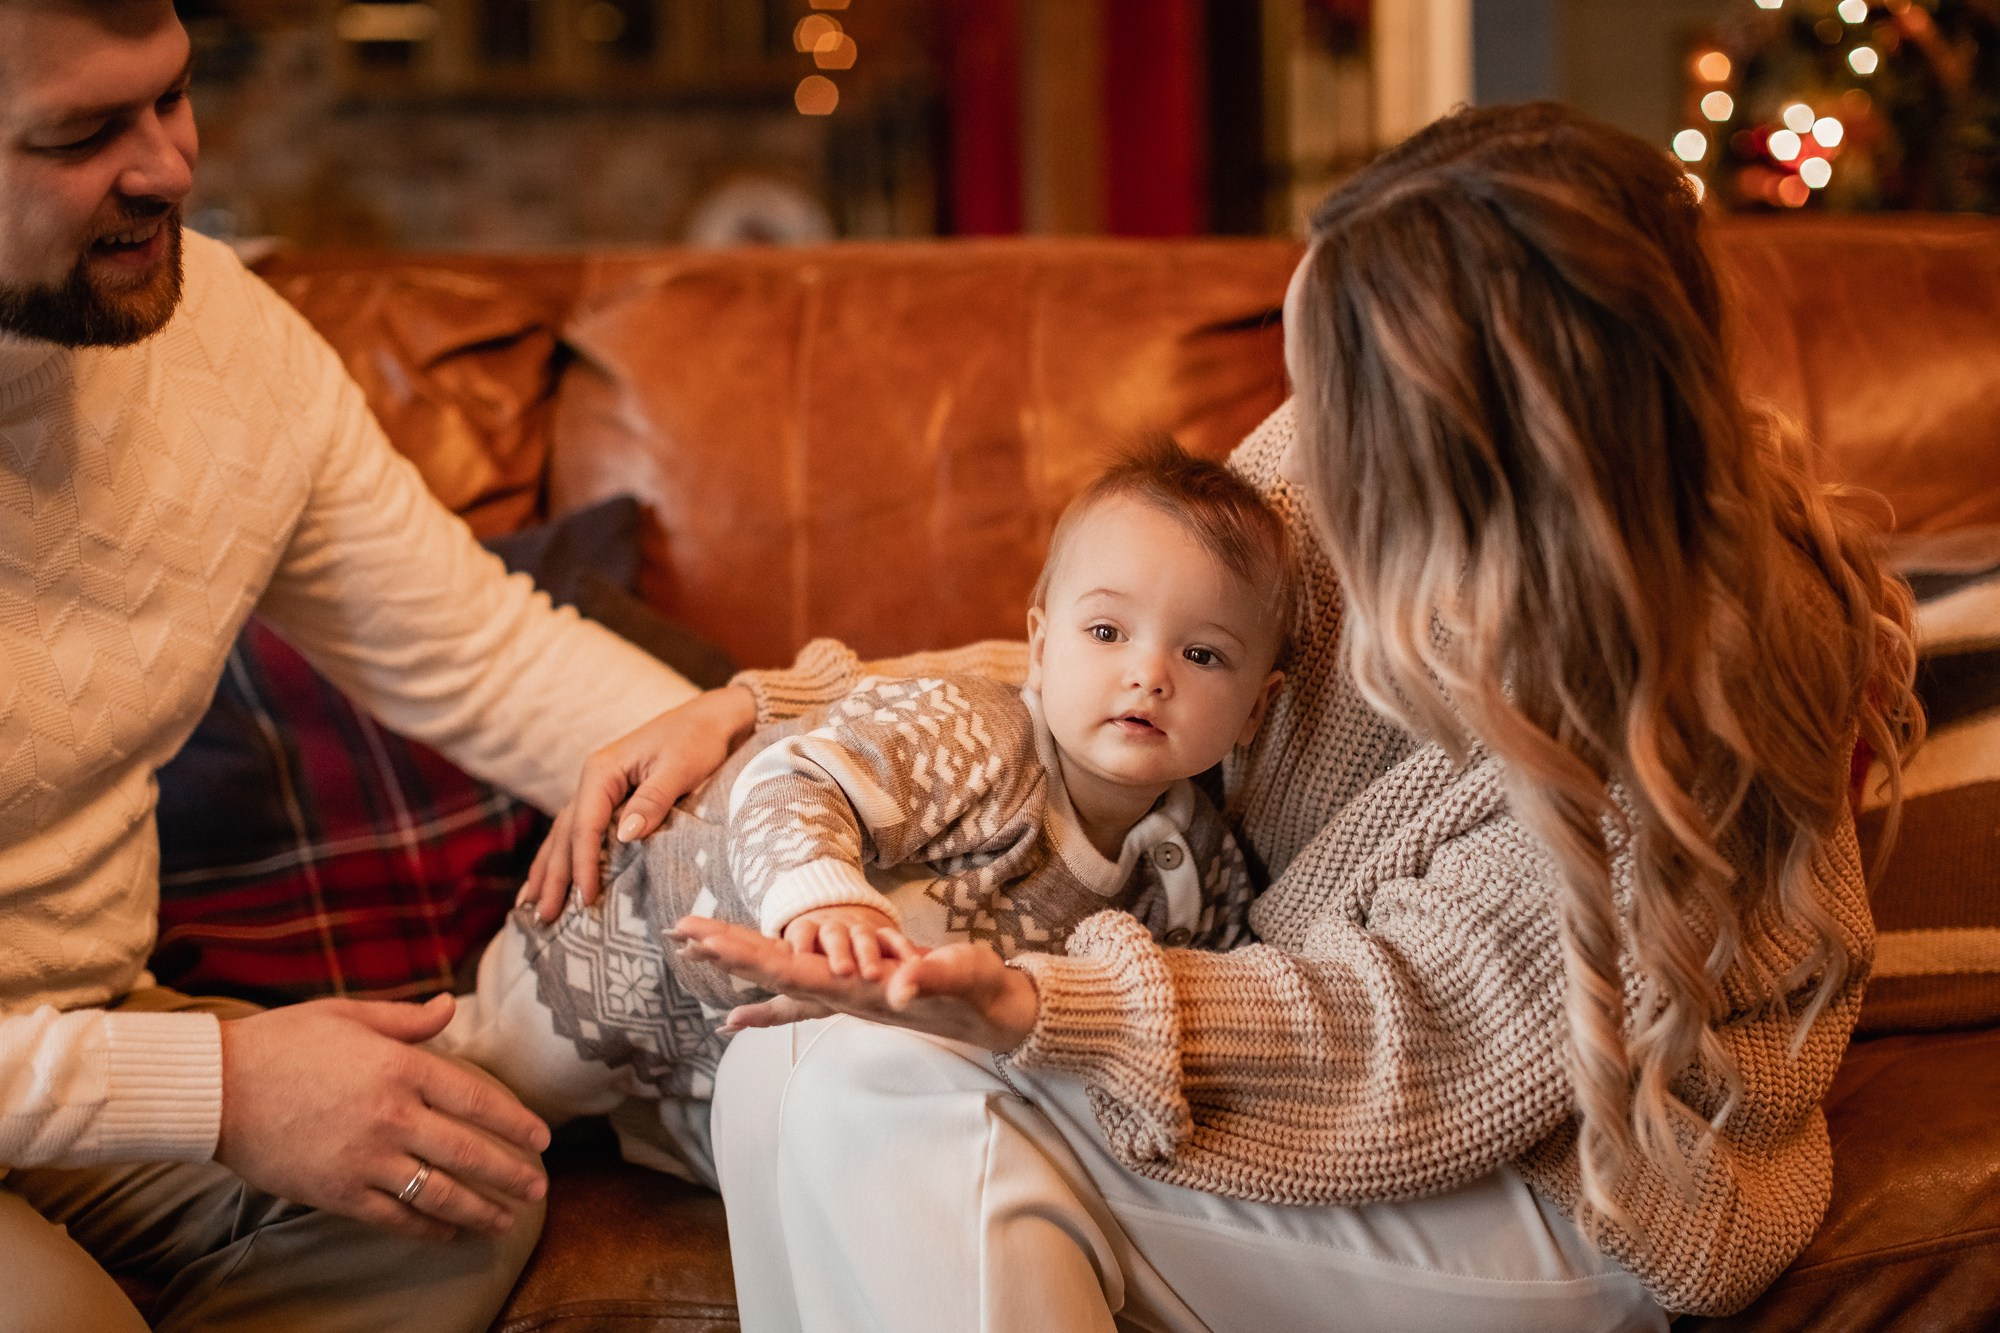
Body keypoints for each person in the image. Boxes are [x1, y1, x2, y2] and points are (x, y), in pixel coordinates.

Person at [644, 103, 1922, 1330]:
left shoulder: (1685, 691)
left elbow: (1425, 1036)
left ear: (1481, 420)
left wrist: (1048, 1010)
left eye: (1337, 389)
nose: (1304, 429)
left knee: (875, 1086)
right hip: (1312, 1028)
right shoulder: (1342, 448)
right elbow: (1145, 642)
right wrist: (766, 700)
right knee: (796, 1056)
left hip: (1564, 1174)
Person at [0, 0, 704, 1328]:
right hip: (88, 1063)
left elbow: (485, 660)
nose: (170, 165)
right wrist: (220, 1087)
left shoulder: (223, 342)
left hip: (83, 1025)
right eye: (86, 132)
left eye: (172, 95)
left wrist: (800, 781)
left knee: (457, 1196)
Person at [438, 445, 1290, 1182]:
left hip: (761, 1032)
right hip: (636, 930)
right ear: (1039, 645)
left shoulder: (1203, 863)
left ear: (1256, 710)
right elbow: (791, 778)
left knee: (784, 1143)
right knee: (481, 1102)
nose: (1149, 674)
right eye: (1107, 632)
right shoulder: (975, 731)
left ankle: (653, 1123)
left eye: (1202, 653)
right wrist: (827, 896)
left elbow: (1198, 996)